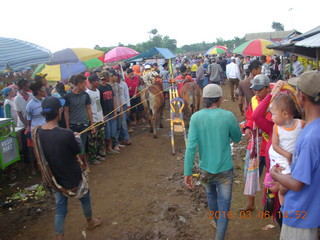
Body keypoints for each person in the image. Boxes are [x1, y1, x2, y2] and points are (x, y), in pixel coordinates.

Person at [34, 97, 101, 240]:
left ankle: (60, 237)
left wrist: (72, 136)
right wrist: (75, 138)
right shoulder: (65, 134)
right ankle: (90, 222)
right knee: (85, 197)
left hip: (54, 179)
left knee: (60, 208)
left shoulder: (38, 133)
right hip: (73, 176)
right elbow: (77, 150)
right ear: (59, 111)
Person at [184, 84, 242, 240]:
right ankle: (219, 234)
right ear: (220, 99)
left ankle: (217, 224)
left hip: (205, 169)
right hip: (225, 170)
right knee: (225, 208)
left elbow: (190, 147)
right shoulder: (228, 116)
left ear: (204, 100)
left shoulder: (196, 117)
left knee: (211, 196)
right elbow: (237, 138)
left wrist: (187, 172)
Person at [270, 71, 320, 240]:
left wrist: (274, 174)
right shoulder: (311, 128)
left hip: (300, 214)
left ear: (302, 96)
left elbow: (297, 184)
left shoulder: (310, 137)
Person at [241, 74, 271, 211]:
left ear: (268, 88)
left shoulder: (275, 101)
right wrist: (247, 127)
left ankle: (270, 205)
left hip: (270, 145)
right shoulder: (253, 100)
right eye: (255, 90)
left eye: (260, 90)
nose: (257, 92)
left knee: (271, 177)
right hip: (255, 145)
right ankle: (250, 203)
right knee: (250, 174)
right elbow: (249, 118)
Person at [268, 94, 304, 205]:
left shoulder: (301, 124)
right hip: (283, 159)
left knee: (294, 183)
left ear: (285, 114)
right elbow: (275, 145)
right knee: (284, 186)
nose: (271, 117)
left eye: (274, 114)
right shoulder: (276, 128)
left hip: (296, 160)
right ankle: (283, 204)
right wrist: (287, 155)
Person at [64, 74, 95, 159]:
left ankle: (83, 164)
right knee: (75, 146)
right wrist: (67, 127)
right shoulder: (68, 96)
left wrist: (91, 124)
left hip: (84, 124)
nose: (85, 85)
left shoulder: (85, 95)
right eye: (83, 83)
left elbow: (89, 109)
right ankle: (81, 164)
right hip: (73, 125)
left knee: (82, 145)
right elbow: (66, 112)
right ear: (78, 84)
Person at [26, 81, 47, 175]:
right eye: (43, 89)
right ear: (39, 92)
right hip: (37, 130)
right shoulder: (30, 105)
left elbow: (47, 111)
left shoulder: (45, 100)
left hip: (46, 128)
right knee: (39, 150)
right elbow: (29, 120)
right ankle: (41, 168)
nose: (45, 91)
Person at [86, 74, 106, 165]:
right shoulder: (87, 93)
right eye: (97, 81)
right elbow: (88, 108)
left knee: (100, 138)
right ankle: (92, 157)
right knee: (92, 139)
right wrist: (91, 122)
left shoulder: (98, 91)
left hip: (100, 117)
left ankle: (98, 154)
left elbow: (99, 104)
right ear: (92, 82)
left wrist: (102, 115)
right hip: (93, 119)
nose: (98, 82)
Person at [98, 71, 118, 154]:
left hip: (111, 112)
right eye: (108, 77)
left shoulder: (109, 86)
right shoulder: (99, 89)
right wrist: (102, 115)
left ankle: (109, 147)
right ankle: (106, 148)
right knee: (107, 132)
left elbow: (113, 98)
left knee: (113, 131)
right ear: (105, 78)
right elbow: (99, 103)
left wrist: (115, 110)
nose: (109, 78)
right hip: (105, 113)